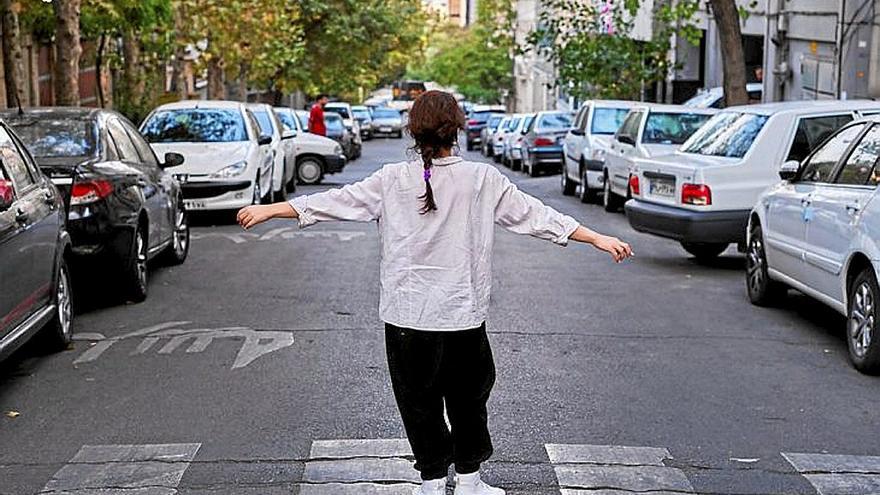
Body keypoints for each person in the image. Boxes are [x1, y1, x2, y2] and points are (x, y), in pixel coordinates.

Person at [237, 91, 633, 495]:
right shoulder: (481, 180)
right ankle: (469, 483)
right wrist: (596, 237)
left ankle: (429, 484)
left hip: (407, 319)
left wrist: (273, 209)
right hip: (462, 316)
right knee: (468, 401)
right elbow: (537, 216)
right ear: (457, 128)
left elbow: (336, 201)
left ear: (413, 130)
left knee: (418, 404)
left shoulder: (392, 179)